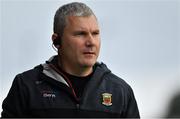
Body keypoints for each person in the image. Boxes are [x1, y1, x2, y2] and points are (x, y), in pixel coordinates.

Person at [1, 2, 140, 118]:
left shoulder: (120, 91)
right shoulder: (26, 86)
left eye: (95, 33)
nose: (91, 42)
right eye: (81, 34)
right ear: (57, 40)